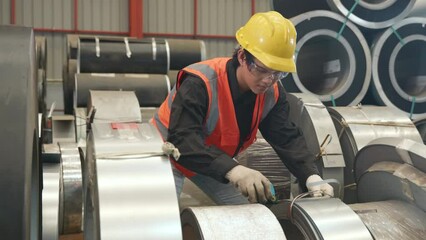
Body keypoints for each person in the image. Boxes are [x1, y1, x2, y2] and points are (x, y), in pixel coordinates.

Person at [152, 11, 333, 204]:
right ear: (242, 57)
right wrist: (234, 170)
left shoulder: (272, 92)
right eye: (262, 70)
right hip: (168, 152)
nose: (267, 80)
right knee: (165, 219)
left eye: (277, 73)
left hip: (211, 159)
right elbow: (183, 140)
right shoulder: (201, 82)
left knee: (249, 215)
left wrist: (311, 176)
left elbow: (286, 138)